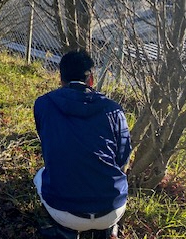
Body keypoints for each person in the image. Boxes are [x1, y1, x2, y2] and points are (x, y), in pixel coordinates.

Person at [33, 49, 132, 239]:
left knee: (40, 175)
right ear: (91, 79)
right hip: (112, 207)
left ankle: (65, 232)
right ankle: (106, 230)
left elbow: (47, 142)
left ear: (60, 78)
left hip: (64, 210)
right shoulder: (114, 110)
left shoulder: (44, 104)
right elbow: (123, 156)